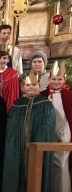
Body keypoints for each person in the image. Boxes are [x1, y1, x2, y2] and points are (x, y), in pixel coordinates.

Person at [3, 71, 55, 192]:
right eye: (27, 85)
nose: (30, 87)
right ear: (22, 87)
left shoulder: (46, 104)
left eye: (34, 84)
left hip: (37, 145)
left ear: (40, 87)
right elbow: (11, 129)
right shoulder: (17, 104)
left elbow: (47, 128)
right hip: (18, 146)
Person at [41, 61, 72, 192]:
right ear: (49, 79)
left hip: (65, 131)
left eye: (59, 79)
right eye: (53, 79)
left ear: (64, 79)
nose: (56, 81)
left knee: (62, 165)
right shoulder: (42, 95)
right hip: (47, 131)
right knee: (46, 164)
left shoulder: (69, 96)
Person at [0, 47, 19, 111]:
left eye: (4, 58)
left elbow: (13, 93)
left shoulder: (12, 73)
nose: (2, 60)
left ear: (8, 59)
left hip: (7, 105)